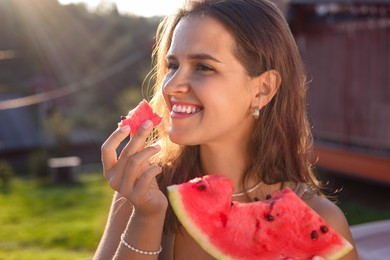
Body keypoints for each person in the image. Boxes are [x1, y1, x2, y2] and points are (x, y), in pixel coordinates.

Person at [94, 0, 359, 259]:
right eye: (173, 65)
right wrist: (147, 217)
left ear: (263, 89)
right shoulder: (145, 187)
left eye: (203, 67)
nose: (171, 85)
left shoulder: (322, 222)